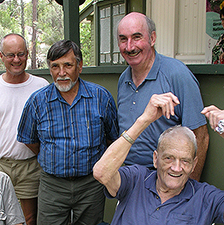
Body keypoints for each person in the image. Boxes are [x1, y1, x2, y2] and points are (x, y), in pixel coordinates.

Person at [17, 40, 119, 225]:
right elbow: (29, 140)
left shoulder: (100, 97)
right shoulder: (37, 101)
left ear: (79, 66)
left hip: (91, 184)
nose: (61, 73)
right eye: (55, 66)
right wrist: (54, 157)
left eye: (68, 65)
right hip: (52, 185)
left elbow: (113, 138)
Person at [93, 93, 224, 225]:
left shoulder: (206, 197)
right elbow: (101, 172)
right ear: (155, 158)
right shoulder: (136, 179)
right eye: (169, 158)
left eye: (185, 161)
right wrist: (144, 120)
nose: (176, 168)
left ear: (194, 164)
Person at [117, 12, 209, 180]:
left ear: (152, 38)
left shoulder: (177, 74)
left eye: (136, 37)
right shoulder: (123, 79)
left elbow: (200, 136)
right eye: (123, 39)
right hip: (129, 177)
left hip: (166, 179)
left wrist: (188, 189)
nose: (129, 47)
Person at [0, 33, 48, 225]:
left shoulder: (41, 87)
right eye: (10, 55)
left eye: (21, 54)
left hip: (30, 166)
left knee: (28, 218)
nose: (16, 60)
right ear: (1, 56)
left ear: (27, 54)